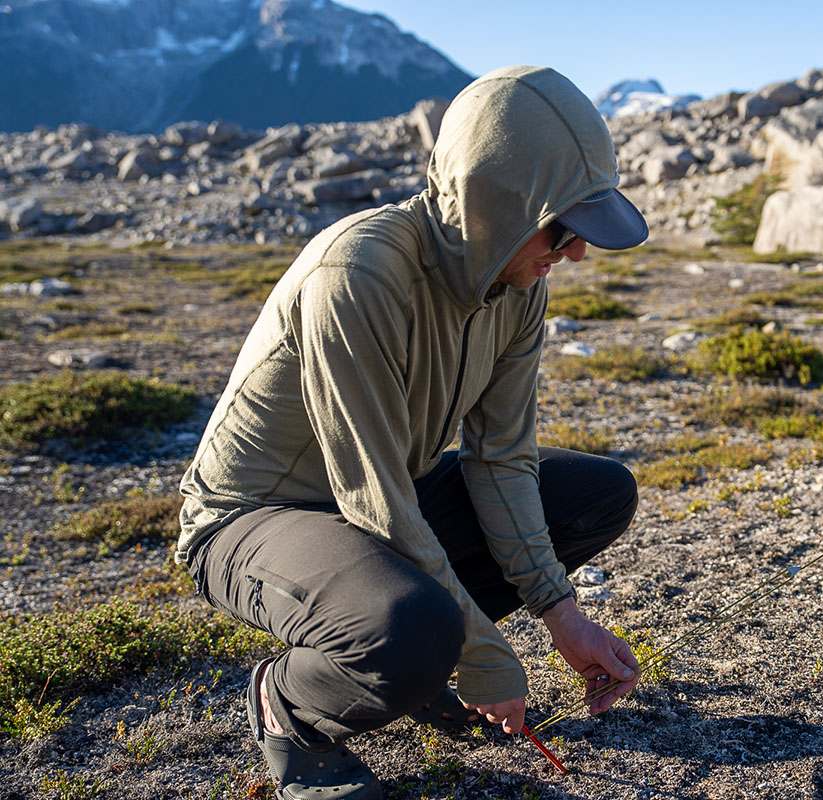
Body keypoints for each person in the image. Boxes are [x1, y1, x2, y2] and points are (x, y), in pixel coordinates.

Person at [177, 65, 650, 800]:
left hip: (381, 496)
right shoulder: (358, 274)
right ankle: (291, 710)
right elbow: (374, 496)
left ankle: (422, 660)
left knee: (596, 495)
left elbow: (501, 459)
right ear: (498, 202)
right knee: (407, 626)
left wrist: (563, 614)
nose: (576, 253)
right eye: (563, 228)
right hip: (257, 519)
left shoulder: (519, 283)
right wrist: (484, 653)